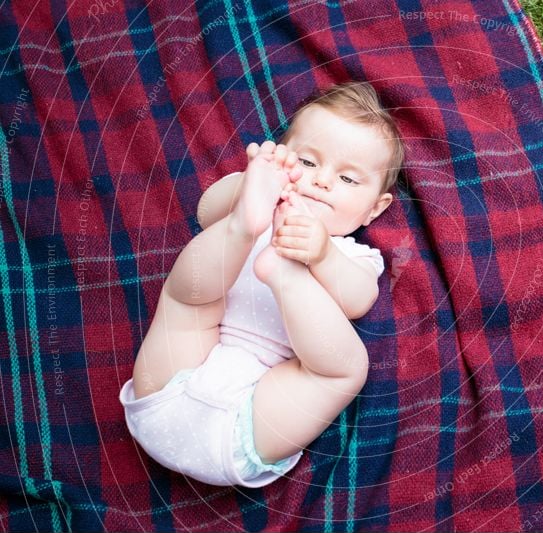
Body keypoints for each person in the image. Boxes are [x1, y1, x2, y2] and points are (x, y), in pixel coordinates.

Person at [119, 82, 404, 487]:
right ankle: (240, 229)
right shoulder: (258, 198)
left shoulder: (351, 255)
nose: (321, 181)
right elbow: (205, 212)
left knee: (344, 371)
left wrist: (320, 256)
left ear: (375, 209)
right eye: (306, 162)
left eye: (347, 179)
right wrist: (249, 186)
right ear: (283, 155)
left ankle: (286, 276)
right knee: (188, 300)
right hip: (177, 376)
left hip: (254, 415)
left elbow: (358, 300)